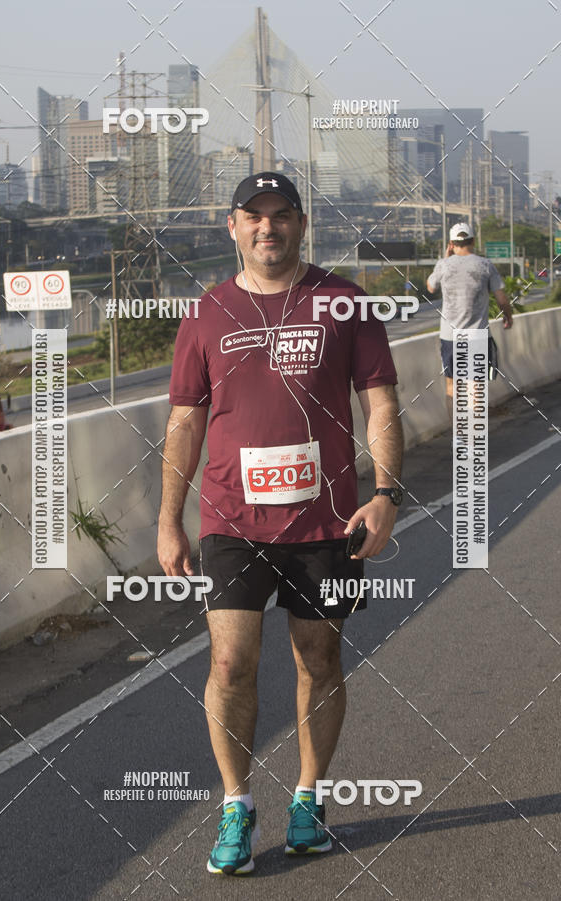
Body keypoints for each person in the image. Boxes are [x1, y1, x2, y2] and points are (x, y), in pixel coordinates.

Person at [157, 172, 403, 875]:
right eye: (254, 217)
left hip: (326, 523)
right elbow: (185, 421)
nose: (268, 228)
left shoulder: (344, 303)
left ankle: (308, 795)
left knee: (317, 659)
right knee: (231, 663)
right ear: (232, 226)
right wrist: (170, 519)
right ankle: (236, 803)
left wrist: (385, 492)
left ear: (302, 224)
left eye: (282, 216)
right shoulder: (207, 314)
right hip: (231, 521)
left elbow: (380, 404)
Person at [427, 222, 513, 420]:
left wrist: (446, 258)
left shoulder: (443, 265)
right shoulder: (485, 264)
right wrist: (508, 316)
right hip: (477, 335)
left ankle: (459, 436)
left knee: (452, 386)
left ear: (451, 243)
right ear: (473, 241)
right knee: (475, 386)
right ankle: (474, 435)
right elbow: (501, 299)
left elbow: (431, 287)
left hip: (450, 337)